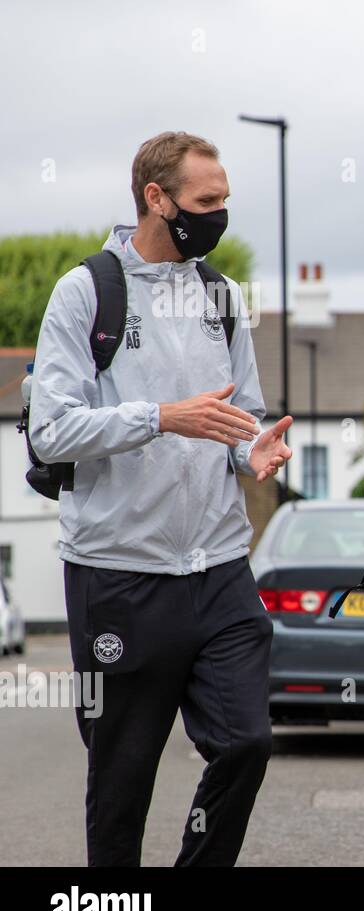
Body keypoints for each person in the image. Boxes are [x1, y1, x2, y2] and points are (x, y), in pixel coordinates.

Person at [28, 131, 291, 866]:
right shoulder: (87, 292)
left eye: (224, 202)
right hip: (118, 576)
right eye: (206, 203)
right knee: (122, 784)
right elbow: (51, 432)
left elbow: (242, 416)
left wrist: (252, 447)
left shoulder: (221, 295)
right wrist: (160, 417)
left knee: (247, 743)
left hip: (219, 570)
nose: (218, 216)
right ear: (156, 197)